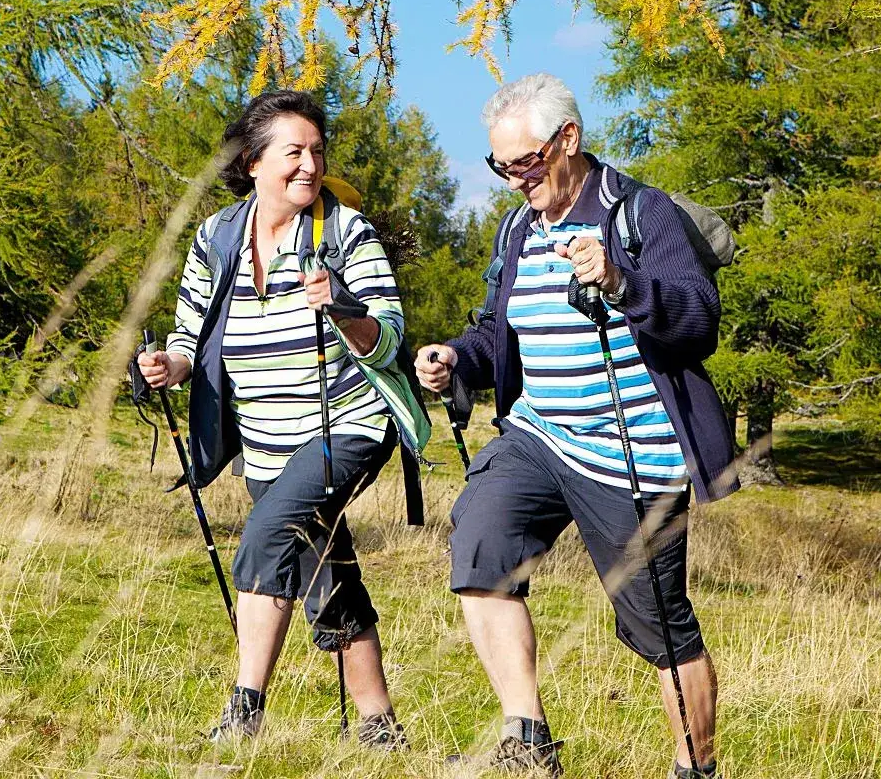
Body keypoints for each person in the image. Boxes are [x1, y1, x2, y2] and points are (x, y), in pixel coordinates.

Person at [415, 73, 739, 778]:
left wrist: (622, 282)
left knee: (657, 624)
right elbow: (499, 334)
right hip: (539, 436)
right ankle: (528, 744)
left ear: (569, 140)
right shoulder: (517, 228)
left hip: (632, 451)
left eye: (525, 163)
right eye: (499, 166)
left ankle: (697, 768)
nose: (512, 180)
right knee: (481, 544)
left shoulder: (638, 213)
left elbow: (698, 318)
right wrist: (456, 360)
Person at [138, 90, 421, 748]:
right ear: (254, 161)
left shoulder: (346, 232)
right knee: (327, 569)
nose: (309, 165)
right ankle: (379, 726)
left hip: (348, 427)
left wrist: (343, 310)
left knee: (270, 532)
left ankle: (245, 714)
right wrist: (169, 366)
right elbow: (190, 332)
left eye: (317, 152)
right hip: (264, 444)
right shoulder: (218, 235)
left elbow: (390, 336)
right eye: (294, 151)